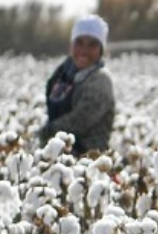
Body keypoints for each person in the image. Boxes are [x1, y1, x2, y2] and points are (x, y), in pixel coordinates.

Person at [39, 14, 115, 157]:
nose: (84, 50)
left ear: (101, 50)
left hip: (89, 160)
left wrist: (47, 131)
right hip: (57, 153)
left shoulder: (101, 80)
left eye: (92, 44)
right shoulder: (62, 74)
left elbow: (80, 121)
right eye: (79, 42)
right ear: (71, 45)